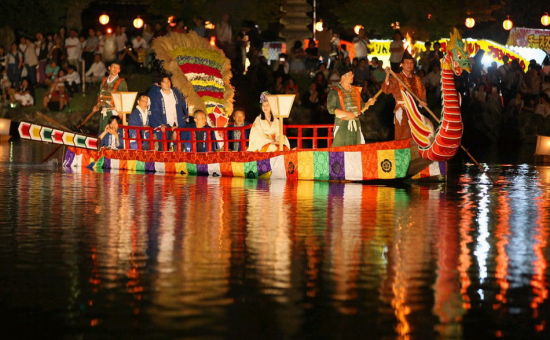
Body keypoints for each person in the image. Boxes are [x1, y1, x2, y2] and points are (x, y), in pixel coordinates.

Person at [381, 52, 427, 140]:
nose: (409, 65)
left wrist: (422, 102)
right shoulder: (396, 77)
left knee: (416, 135)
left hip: (415, 111)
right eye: (407, 63)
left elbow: (422, 94)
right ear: (401, 64)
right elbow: (386, 89)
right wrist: (387, 75)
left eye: (411, 62)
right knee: (403, 135)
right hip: (402, 109)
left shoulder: (417, 79)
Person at [327, 66, 365, 146]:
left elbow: (361, 108)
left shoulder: (356, 90)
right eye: (350, 74)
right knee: (340, 152)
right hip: (342, 124)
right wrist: (348, 114)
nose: (352, 76)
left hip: (356, 125)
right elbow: (331, 109)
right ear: (343, 77)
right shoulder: (335, 91)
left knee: (357, 151)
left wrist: (368, 103)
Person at [148, 75, 188, 150]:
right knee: (163, 147)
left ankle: (179, 160)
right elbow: (155, 111)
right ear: (160, 84)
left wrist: (180, 122)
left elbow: (182, 107)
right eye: (164, 82)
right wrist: (160, 125)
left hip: (176, 123)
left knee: (179, 147)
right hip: (164, 124)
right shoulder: (156, 95)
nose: (167, 83)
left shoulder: (176, 93)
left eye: (168, 81)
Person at [93, 62, 128, 133]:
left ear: (119, 70)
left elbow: (125, 98)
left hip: (114, 112)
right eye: (113, 67)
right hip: (104, 111)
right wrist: (97, 105)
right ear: (109, 68)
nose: (115, 69)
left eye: (117, 68)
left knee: (112, 133)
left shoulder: (121, 82)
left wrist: (121, 111)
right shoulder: (104, 81)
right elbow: (100, 94)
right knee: (102, 131)